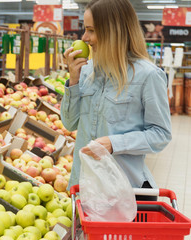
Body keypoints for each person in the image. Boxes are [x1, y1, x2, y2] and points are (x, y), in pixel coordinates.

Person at [61, 0, 171, 200]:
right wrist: (74, 80)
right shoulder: (87, 71)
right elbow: (69, 123)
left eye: (91, 30)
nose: (84, 38)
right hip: (84, 187)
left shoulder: (148, 76)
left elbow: (161, 134)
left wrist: (115, 143)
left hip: (123, 192)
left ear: (114, 32)